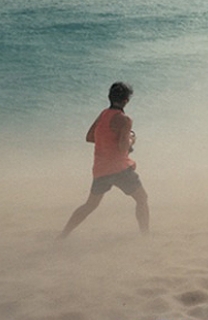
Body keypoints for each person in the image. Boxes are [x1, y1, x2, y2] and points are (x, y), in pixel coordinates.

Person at [60, 82, 149, 237]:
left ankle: (63, 235)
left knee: (90, 205)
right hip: (120, 169)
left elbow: (89, 137)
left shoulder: (103, 114)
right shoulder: (125, 120)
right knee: (142, 199)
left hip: (101, 169)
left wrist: (109, 140)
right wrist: (131, 140)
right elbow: (123, 147)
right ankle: (146, 236)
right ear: (126, 101)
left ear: (110, 97)